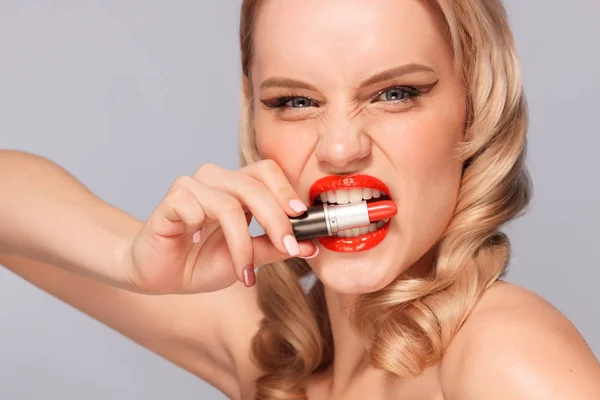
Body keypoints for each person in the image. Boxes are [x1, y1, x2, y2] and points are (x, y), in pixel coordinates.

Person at [1, 0, 599, 399]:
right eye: (294, 101)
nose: (339, 147)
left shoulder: (507, 353)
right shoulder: (278, 364)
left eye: (394, 93)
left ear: (476, 108)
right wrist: (129, 262)